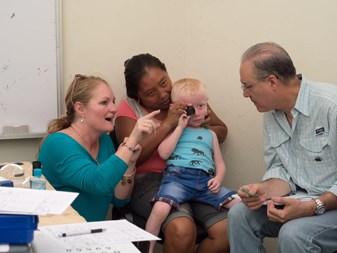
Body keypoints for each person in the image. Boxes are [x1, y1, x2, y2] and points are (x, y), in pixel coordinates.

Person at [114, 53, 231, 253]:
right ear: (138, 96)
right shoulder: (128, 109)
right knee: (182, 230)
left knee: (227, 229)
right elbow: (133, 156)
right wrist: (168, 123)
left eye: (164, 82)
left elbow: (221, 132)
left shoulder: (185, 96)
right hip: (149, 181)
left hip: (193, 177)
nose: (162, 94)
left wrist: (203, 123)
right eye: (151, 92)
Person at [227, 42, 337, 252]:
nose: (245, 94)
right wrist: (264, 189)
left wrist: (312, 207)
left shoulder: (331, 106)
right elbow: (281, 168)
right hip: (302, 198)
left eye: (247, 86)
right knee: (239, 214)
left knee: (293, 233)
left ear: (272, 82)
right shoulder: (272, 112)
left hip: (330, 203)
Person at [38, 74, 159, 222]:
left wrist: (130, 164)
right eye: (104, 102)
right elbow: (97, 183)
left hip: (92, 234)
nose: (114, 108)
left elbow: (119, 199)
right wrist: (132, 139)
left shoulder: (104, 141)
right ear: (80, 109)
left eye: (113, 102)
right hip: (59, 235)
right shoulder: (57, 143)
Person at [145, 78, 240, 253]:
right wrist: (179, 127)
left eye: (201, 106)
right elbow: (164, 153)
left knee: (241, 205)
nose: (196, 113)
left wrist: (218, 179)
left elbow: (219, 163)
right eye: (190, 109)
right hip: (177, 179)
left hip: (205, 182)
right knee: (160, 209)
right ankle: (146, 248)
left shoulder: (210, 134)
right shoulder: (175, 131)